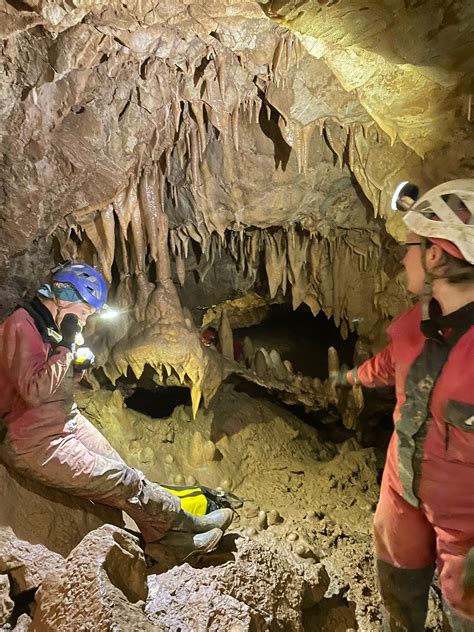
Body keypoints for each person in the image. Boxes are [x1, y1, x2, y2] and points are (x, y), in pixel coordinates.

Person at [0, 262, 232, 555]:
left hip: (66, 421)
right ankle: (171, 540)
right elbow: (34, 392)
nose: (84, 321)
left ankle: (182, 524)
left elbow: (55, 382)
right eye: (84, 312)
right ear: (65, 296)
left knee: (124, 472)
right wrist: (68, 345)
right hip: (33, 440)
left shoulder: (51, 326)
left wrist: (76, 368)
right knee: (123, 481)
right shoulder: (22, 324)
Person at [333, 180, 474, 631]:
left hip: (467, 527)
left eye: (410, 246)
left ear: (435, 255)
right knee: (398, 594)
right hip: (401, 493)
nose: (402, 256)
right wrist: (352, 377)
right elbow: (391, 364)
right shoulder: (415, 322)